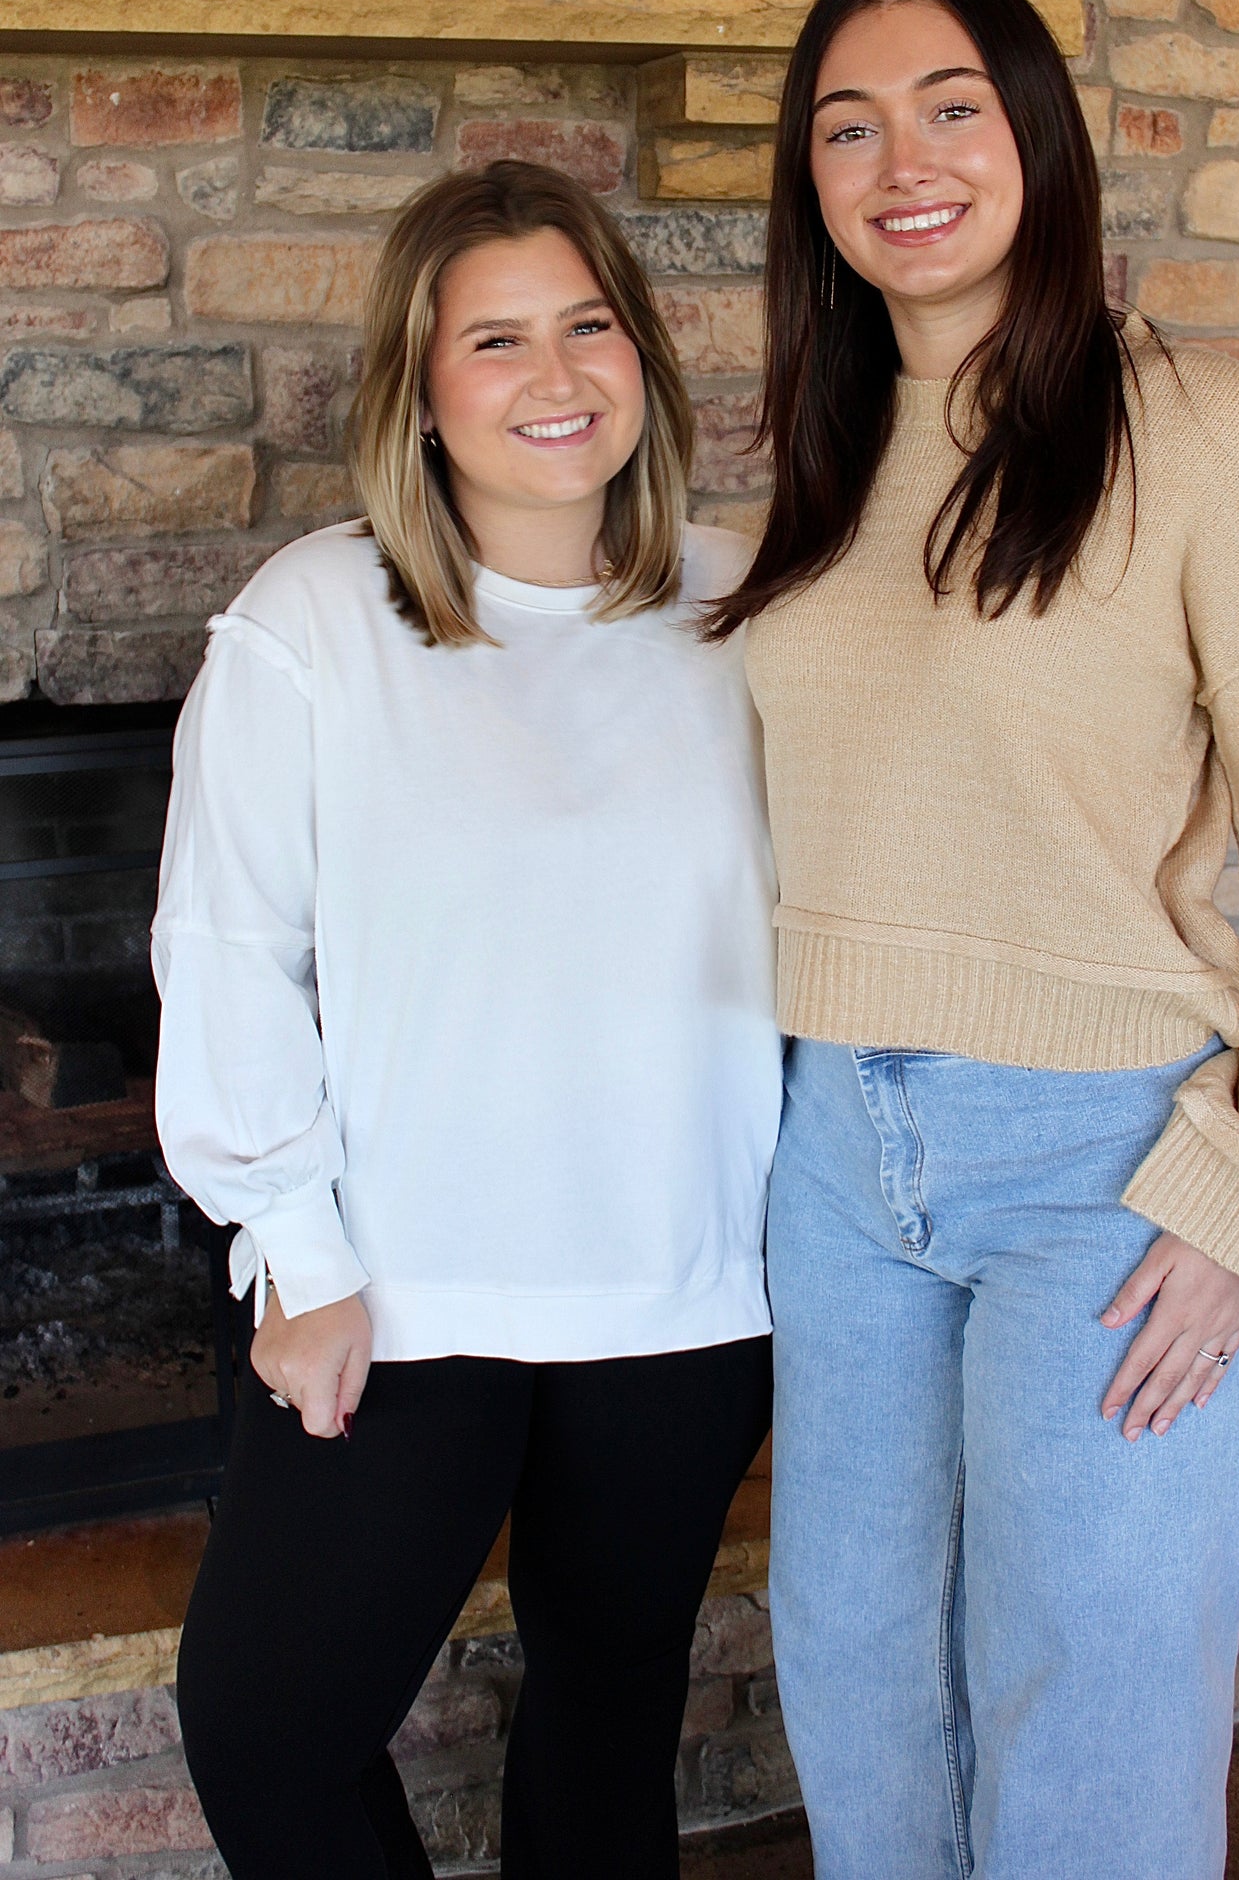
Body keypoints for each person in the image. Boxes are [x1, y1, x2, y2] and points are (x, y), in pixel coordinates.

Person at [705, 0, 1239, 1880]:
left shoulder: (1202, 436)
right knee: (850, 1659)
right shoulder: (824, 450)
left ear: (1039, 140)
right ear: (809, 183)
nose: (897, 160)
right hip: (838, 1150)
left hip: (1098, 1154)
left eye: (950, 108)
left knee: (1083, 1686)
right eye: (846, 126)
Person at [153, 161, 780, 1880]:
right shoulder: (311, 623)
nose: (553, 375)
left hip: (682, 1288)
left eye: (588, 326)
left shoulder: (752, 610)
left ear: (643, 356)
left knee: (607, 1708)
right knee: (268, 1730)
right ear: (420, 398)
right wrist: (293, 1246)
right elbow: (225, 947)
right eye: (493, 340)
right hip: (398, 1292)